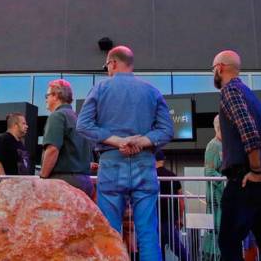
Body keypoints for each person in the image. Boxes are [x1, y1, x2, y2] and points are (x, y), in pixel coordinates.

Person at [77, 45, 174, 261]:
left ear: (112, 63)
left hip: (111, 163)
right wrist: (142, 140)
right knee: (148, 233)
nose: (107, 71)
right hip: (144, 163)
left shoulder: (100, 89)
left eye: (107, 67)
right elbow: (167, 130)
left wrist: (116, 140)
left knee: (110, 232)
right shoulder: (152, 91)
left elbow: (83, 125)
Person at [211, 50, 261, 261]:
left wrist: (255, 170)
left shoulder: (230, 91)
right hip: (260, 184)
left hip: (243, 180)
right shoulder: (250, 94)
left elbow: (249, 132)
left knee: (228, 242)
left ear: (220, 68)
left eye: (213, 69)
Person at [40, 79, 93, 197]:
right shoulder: (77, 118)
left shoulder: (57, 116)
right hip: (84, 182)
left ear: (55, 96)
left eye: (47, 95)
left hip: (63, 184)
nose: (46, 99)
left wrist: (42, 177)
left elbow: (52, 149)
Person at [155, 150, 190, 261]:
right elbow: (181, 201)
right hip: (169, 220)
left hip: (153, 220)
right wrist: (179, 218)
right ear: (163, 160)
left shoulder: (150, 177)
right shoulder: (172, 176)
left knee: (158, 250)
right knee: (179, 249)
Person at [201, 115, 224, 261]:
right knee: (216, 231)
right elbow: (209, 172)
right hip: (217, 199)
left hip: (224, 199)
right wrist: (225, 183)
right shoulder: (213, 145)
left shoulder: (224, 144)